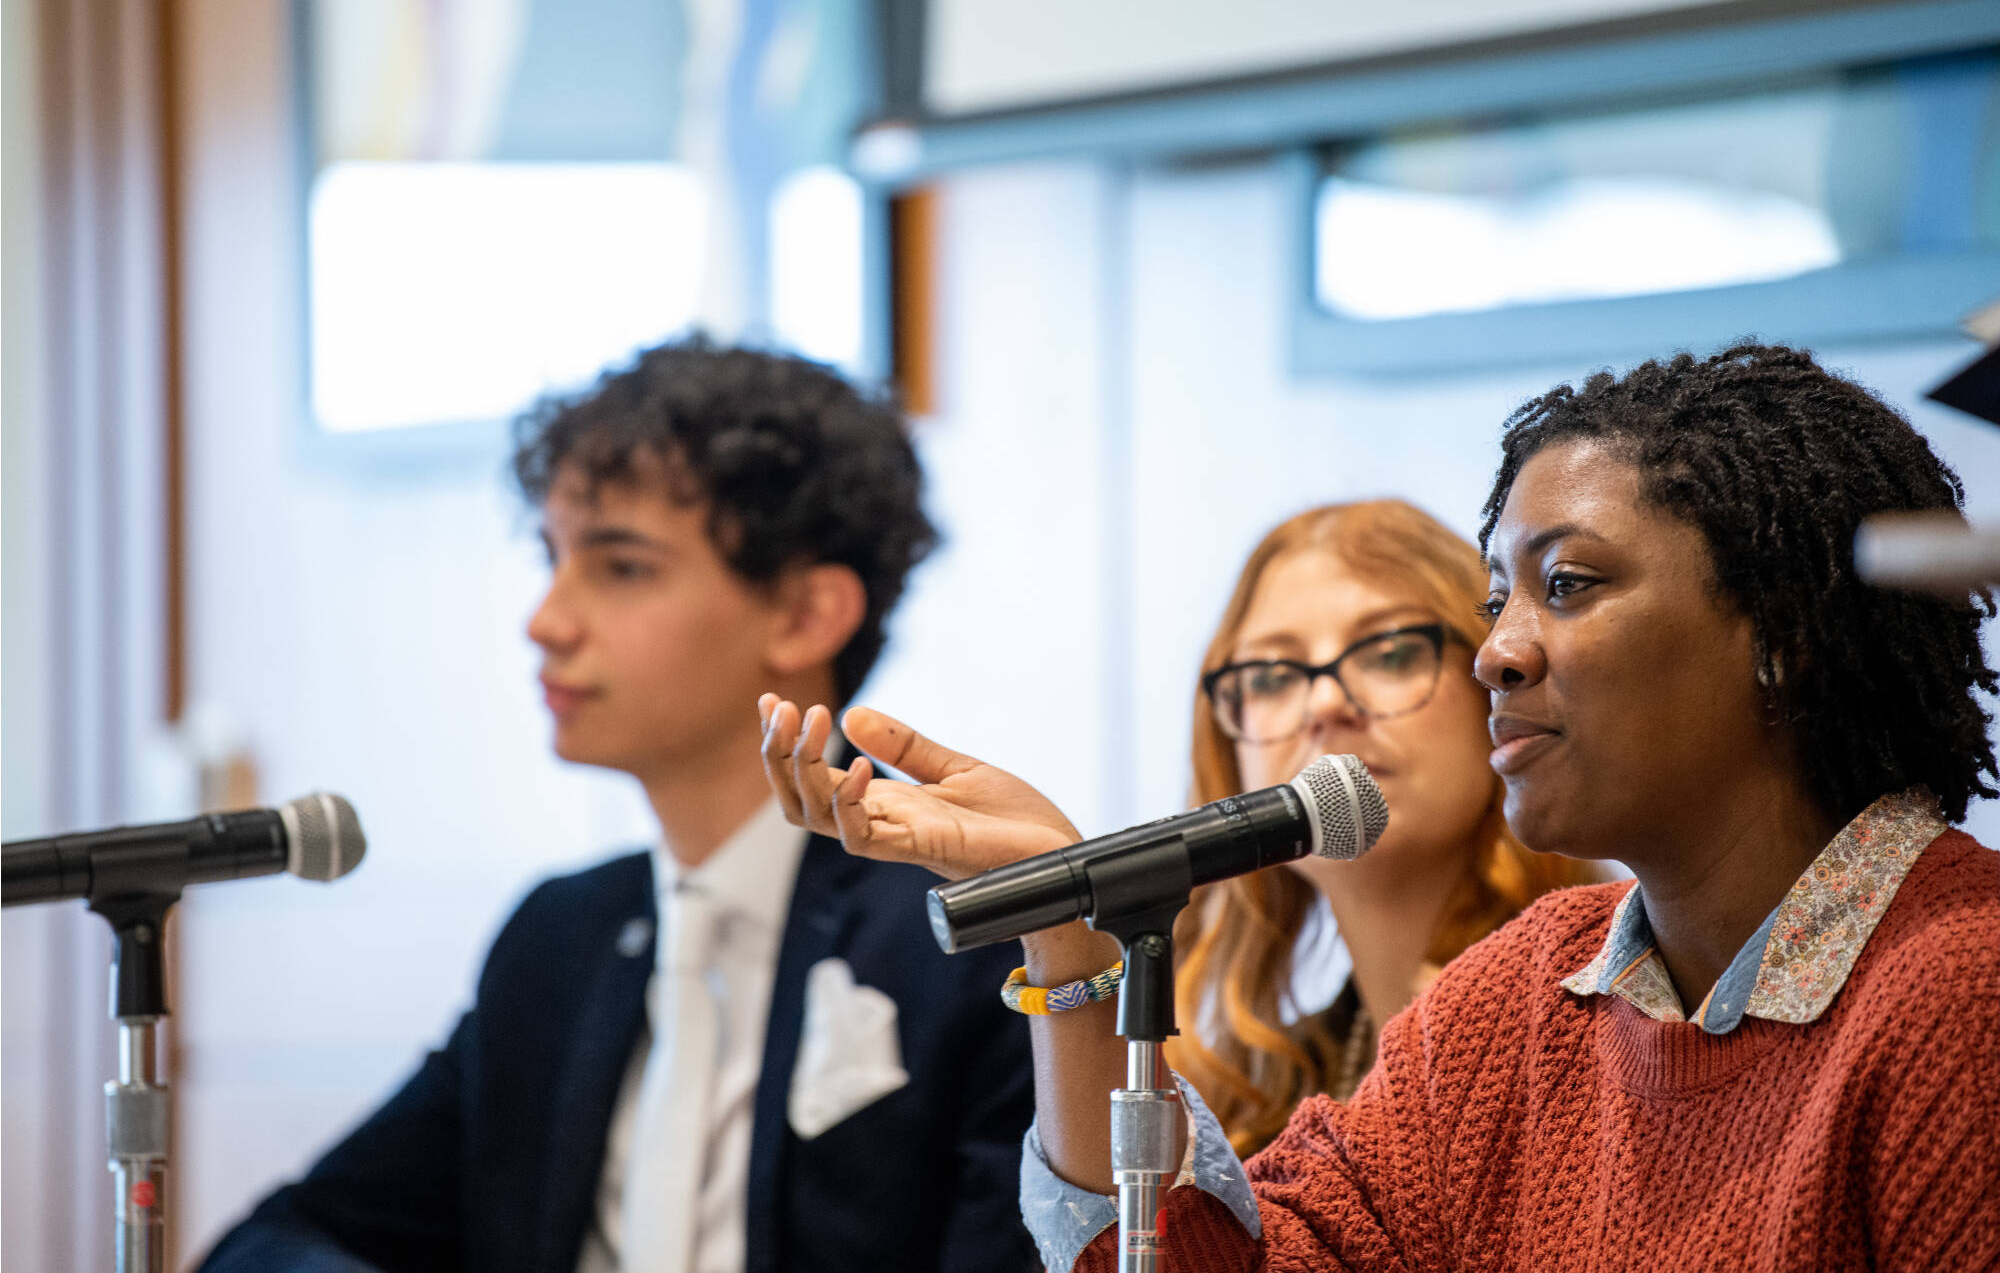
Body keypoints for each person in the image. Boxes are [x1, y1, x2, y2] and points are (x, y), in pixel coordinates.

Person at [762, 343, 2000, 1271]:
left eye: (1566, 586)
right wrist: (1074, 949)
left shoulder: (1960, 990)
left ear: (1775, 633)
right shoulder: (1513, 1005)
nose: (1497, 655)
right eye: (1493, 601)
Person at [201, 340, 1039, 1273]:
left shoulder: (976, 935)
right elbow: (278, 1241)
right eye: (551, 558)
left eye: (622, 567)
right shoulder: (560, 938)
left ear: (805, 614)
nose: (546, 621)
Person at [1168, 501, 1593, 1154]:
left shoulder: (1608, 1029)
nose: (1325, 702)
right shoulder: (1259, 1096)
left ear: (1497, 681)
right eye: (1274, 674)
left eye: (1390, 652)